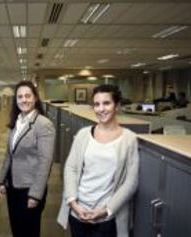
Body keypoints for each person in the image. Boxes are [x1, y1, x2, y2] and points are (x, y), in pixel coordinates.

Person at [57, 84, 139, 237]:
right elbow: (71, 168)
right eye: (96, 104)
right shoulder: (83, 134)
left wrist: (104, 210)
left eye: (106, 103)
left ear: (117, 106)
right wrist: (73, 204)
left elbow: (131, 182)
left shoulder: (129, 139)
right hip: (78, 213)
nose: (101, 109)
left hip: (107, 217)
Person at [0, 80, 55, 237]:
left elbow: (45, 162)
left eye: (28, 96)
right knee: (16, 229)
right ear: (16, 100)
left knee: (28, 232)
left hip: (30, 188)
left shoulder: (44, 124)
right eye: (20, 97)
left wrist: (36, 194)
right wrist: (3, 180)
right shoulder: (17, 121)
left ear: (35, 98)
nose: (24, 100)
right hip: (13, 185)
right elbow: (9, 154)